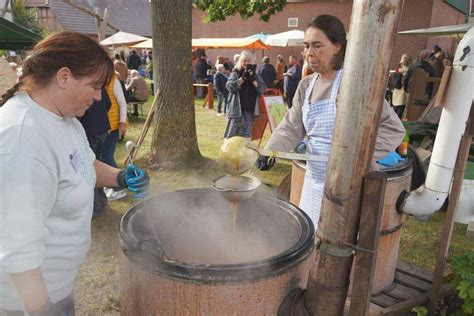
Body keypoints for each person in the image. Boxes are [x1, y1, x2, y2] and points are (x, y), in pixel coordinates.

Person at [0, 31, 149, 316]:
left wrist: (120, 177)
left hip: (57, 287)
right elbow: (19, 252)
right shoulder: (22, 140)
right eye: (94, 87)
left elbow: (82, 163)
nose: (98, 97)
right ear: (64, 77)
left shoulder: (64, 119)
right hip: (26, 303)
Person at [256, 15, 404, 228]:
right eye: (306, 46)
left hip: (351, 184)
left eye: (317, 45)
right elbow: (292, 125)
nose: (309, 53)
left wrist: (353, 155)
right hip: (314, 180)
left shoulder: (355, 85)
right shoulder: (306, 85)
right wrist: (271, 151)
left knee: (340, 247)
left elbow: (393, 128)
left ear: (337, 46)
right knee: (309, 235)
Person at [224, 50, 266, 138]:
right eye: (244, 61)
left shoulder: (255, 74)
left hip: (250, 111)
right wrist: (242, 79)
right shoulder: (235, 72)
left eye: (248, 61)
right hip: (237, 110)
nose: (246, 63)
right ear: (240, 61)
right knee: (231, 136)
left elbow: (262, 89)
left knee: (246, 138)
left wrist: (253, 80)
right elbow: (230, 87)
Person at [103, 73, 129, 201]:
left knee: (106, 156)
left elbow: (122, 103)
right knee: (103, 157)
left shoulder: (113, 79)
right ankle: (110, 184)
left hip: (113, 125)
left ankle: (118, 189)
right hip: (102, 125)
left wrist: (122, 123)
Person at [392, 54, 412, 119]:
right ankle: (397, 120)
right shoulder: (408, 70)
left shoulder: (398, 69)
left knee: (395, 106)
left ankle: (393, 119)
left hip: (396, 89)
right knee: (401, 106)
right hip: (402, 90)